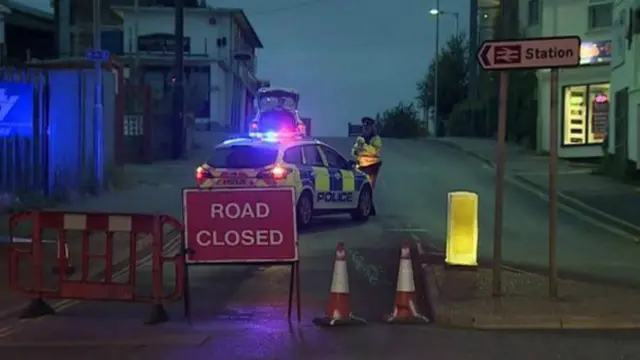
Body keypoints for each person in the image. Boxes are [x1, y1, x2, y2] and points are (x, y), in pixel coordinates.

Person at [352, 117, 382, 188]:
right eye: (364, 128)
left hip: (372, 166)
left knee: (370, 185)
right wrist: (356, 151)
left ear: (372, 128)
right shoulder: (360, 138)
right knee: (360, 184)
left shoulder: (376, 138)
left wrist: (363, 146)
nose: (365, 129)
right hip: (361, 165)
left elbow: (375, 151)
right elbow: (354, 151)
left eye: (367, 128)